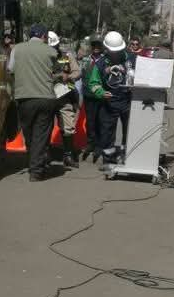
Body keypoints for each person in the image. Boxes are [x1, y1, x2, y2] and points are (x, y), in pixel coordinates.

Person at [8, 24, 59, 181]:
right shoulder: (51, 51)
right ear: (44, 36)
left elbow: (10, 69)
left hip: (24, 98)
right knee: (41, 134)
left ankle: (34, 163)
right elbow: (56, 71)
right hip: (45, 98)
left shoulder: (17, 49)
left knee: (29, 133)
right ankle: (36, 171)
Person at [87, 31, 137, 166]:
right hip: (109, 101)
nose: (115, 54)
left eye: (117, 51)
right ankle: (108, 161)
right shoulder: (101, 63)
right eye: (112, 51)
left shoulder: (132, 59)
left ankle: (130, 157)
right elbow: (93, 83)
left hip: (128, 99)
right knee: (107, 132)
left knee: (130, 129)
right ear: (107, 49)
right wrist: (101, 92)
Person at [49, 31, 81, 168]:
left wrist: (69, 77)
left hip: (64, 96)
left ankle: (68, 155)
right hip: (47, 96)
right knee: (45, 126)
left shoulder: (66, 56)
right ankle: (45, 155)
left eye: (55, 46)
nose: (53, 49)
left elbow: (77, 72)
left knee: (68, 126)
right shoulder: (42, 57)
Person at [79, 38, 105, 162]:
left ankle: (99, 145)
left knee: (100, 120)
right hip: (88, 94)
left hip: (100, 95)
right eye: (94, 45)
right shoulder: (86, 59)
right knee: (90, 121)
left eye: (98, 46)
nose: (96, 48)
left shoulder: (105, 60)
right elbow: (81, 75)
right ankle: (90, 143)